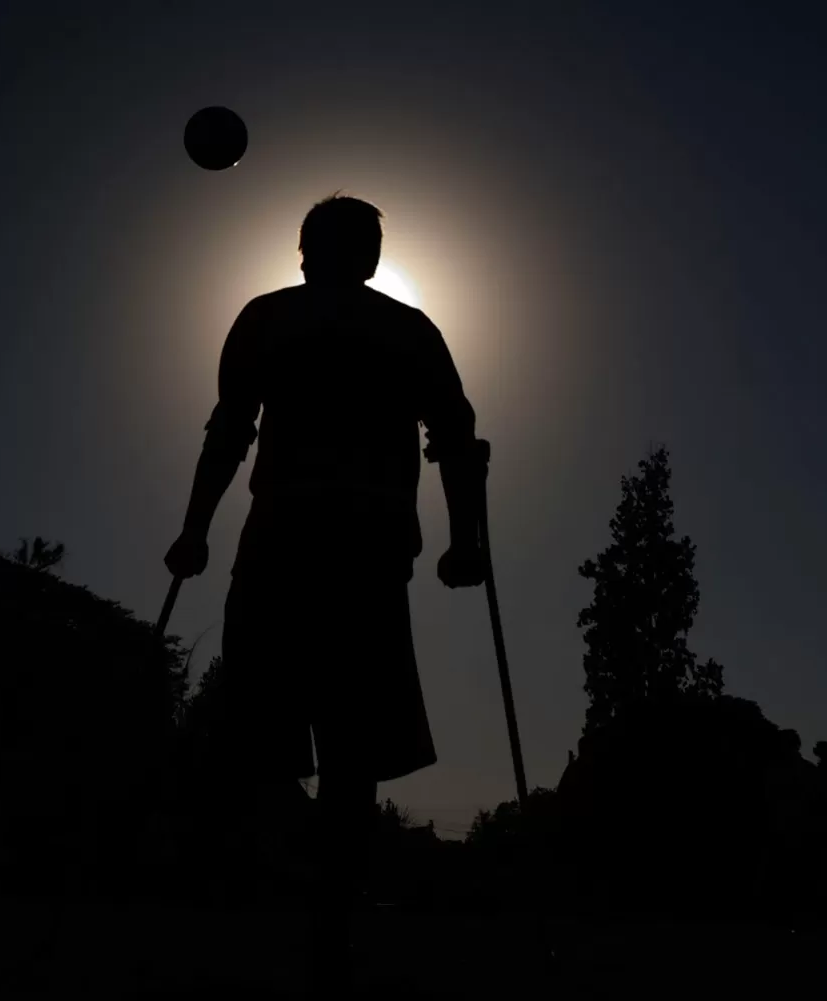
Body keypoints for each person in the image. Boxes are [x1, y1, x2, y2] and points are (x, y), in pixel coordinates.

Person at [164, 193, 486, 983]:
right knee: (350, 745)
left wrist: (196, 527)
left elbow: (229, 432)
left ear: (304, 251)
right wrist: (465, 539)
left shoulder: (269, 318)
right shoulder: (407, 331)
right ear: (367, 257)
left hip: (290, 543)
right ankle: (319, 913)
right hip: (359, 552)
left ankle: (271, 904)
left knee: (262, 734)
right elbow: (455, 439)